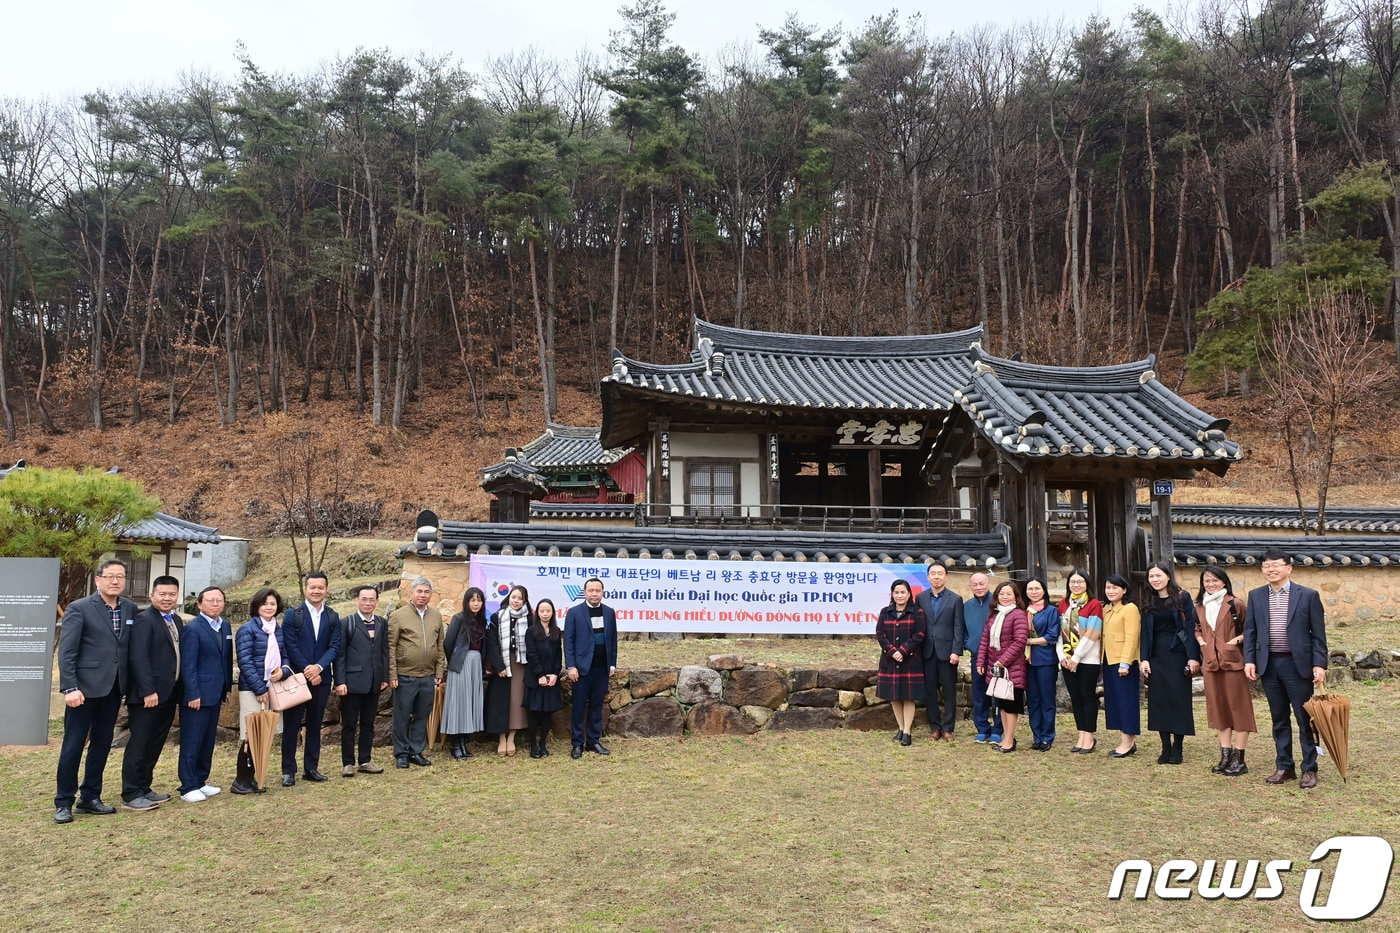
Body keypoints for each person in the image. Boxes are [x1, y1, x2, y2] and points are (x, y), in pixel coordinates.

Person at [53, 559, 137, 824]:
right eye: (110, 576)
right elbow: (67, 652)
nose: (115, 581)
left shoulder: (131, 608)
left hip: (113, 689)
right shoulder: (79, 609)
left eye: (120, 577)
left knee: (102, 745)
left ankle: (90, 797)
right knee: (74, 745)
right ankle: (63, 801)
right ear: (98, 579)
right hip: (83, 691)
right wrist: (70, 687)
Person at [1243, 550, 1328, 790]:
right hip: (1269, 664)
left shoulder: (1308, 596)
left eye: (1276, 565)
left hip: (1297, 664)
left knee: (1304, 719)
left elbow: (1318, 636)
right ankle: (1284, 766)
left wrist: (1319, 664)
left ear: (1289, 568)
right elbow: (1250, 632)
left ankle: (1309, 769)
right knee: (1279, 718)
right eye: (1266, 566)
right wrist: (1249, 660)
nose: (1270, 569)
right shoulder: (1256, 596)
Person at [120, 575, 184, 811]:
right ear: (152, 595)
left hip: (168, 694)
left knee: (155, 742)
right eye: (162, 594)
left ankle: (145, 787)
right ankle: (131, 792)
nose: (167, 598)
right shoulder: (144, 619)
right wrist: (148, 690)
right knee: (140, 742)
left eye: (171, 594)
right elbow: (138, 657)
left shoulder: (175, 620)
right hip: (148, 696)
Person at [280, 571, 342, 786]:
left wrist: (318, 667)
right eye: (312, 587)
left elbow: (334, 646)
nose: (317, 591)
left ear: (326, 589)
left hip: (322, 678)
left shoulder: (332, 616)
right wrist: (307, 669)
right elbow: (290, 645)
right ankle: (288, 770)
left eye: (320, 587)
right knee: (292, 725)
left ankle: (311, 768)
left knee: (315, 724)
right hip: (297, 678)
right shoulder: (292, 614)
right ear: (306, 589)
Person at [1194, 565, 1255, 777]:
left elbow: (1250, 629)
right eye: (1206, 581)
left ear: (1224, 582)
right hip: (1210, 663)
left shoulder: (1235, 604)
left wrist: (1234, 641)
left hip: (1233, 662)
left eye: (1214, 580)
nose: (1210, 584)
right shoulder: (1199, 605)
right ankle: (1225, 755)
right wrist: (1201, 641)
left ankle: (1240, 758)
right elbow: (1197, 627)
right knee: (1218, 709)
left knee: (1239, 709)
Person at [232, 587, 293, 794]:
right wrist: (259, 688)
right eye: (265, 603)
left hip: (273, 687)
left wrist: (283, 671)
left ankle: (256, 778)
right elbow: (245, 661)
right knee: (250, 733)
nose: (269, 607)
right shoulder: (247, 629)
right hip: (252, 689)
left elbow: (285, 656)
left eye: (273, 604)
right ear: (257, 606)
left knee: (265, 733)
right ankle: (241, 780)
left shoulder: (278, 629)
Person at [1141, 561, 1201, 765]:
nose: (1155, 580)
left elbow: (1191, 626)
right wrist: (1144, 658)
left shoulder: (1182, 597)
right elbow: (1145, 633)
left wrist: (1193, 657)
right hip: (1156, 655)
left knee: (1178, 700)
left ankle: (1178, 747)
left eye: (1159, 575)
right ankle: (1165, 746)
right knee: (1159, 701)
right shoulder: (1149, 599)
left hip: (1178, 654)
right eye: (1151, 576)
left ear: (1168, 576)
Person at [178, 586, 234, 803]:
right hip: (197, 695)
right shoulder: (193, 629)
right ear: (200, 604)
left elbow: (226, 659)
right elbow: (188, 664)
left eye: (219, 600)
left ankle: (201, 780)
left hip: (216, 692)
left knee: (207, 740)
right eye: (210, 600)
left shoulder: (225, 625)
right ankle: (188, 785)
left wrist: (226, 687)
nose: (215, 604)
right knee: (192, 739)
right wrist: (192, 693)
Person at [388, 577, 446, 769]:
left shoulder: (436, 616)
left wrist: (439, 671)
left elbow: (440, 646)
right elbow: (391, 647)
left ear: (431, 595)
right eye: (419, 591)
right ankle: (401, 753)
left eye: (426, 592)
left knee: (422, 715)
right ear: (412, 593)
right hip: (405, 675)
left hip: (428, 676)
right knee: (402, 716)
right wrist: (393, 675)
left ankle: (416, 751)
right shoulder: (398, 616)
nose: (422, 595)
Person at [336, 585, 391, 776]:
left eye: (372, 599)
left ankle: (365, 760)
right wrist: (340, 681)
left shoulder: (382, 623)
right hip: (351, 683)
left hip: (374, 683)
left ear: (377, 601)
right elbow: (340, 655)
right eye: (364, 599)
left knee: (368, 723)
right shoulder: (347, 623)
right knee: (349, 724)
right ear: (357, 600)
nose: (368, 603)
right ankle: (348, 763)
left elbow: (384, 652)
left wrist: (384, 677)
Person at [564, 578, 618, 759]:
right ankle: (577, 744)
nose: (594, 593)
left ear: (602, 592)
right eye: (591, 590)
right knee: (579, 707)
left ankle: (594, 741)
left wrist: (612, 663)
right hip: (581, 669)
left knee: (596, 706)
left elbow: (612, 640)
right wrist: (570, 666)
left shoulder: (609, 612)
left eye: (597, 590)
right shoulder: (574, 612)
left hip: (601, 668)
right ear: (585, 592)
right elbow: (568, 642)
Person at [976, 580, 1028, 753]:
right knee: (1002, 705)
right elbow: (985, 640)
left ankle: (1009, 740)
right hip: (995, 666)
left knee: (1010, 706)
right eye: (1001, 594)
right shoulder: (994, 615)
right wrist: (980, 661)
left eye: (1009, 594)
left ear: (1015, 597)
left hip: (1011, 668)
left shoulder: (1018, 614)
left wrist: (1002, 661)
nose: (1005, 597)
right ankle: (1006, 737)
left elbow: (1020, 641)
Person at [1056, 568, 1104, 754]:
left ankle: (1089, 736)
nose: (1076, 585)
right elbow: (1059, 634)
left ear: (1087, 584)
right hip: (1067, 660)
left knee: (1087, 696)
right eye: (1073, 582)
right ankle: (1081, 735)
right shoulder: (1063, 605)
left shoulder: (1093, 605)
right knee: (1075, 698)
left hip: (1087, 660)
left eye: (1080, 582)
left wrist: (1076, 657)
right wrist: (1063, 657)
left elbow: (1092, 634)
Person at [915, 562, 964, 741]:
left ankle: (948, 728)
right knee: (930, 692)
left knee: (949, 692)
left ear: (946, 576)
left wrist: (956, 650)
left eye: (940, 573)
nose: (936, 576)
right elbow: (918, 625)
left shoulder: (956, 599)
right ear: (928, 577)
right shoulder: (920, 598)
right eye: (933, 573)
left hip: (947, 653)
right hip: (927, 652)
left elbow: (959, 627)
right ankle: (935, 727)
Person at [875, 579, 927, 747]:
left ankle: (907, 732)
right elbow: (880, 634)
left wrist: (903, 651)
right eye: (896, 592)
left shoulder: (917, 612)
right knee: (894, 696)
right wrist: (892, 651)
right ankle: (900, 727)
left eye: (902, 592)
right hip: (889, 661)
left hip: (910, 661)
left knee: (908, 697)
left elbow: (919, 635)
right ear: (892, 594)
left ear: (909, 594)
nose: (899, 595)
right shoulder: (885, 612)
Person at [485, 585, 532, 756]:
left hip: (521, 662)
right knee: (500, 699)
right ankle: (501, 738)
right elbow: (491, 643)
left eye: (520, 598)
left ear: (524, 600)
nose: (516, 601)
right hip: (502, 664)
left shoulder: (529, 618)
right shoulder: (498, 616)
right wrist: (499, 666)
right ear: (508, 598)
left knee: (516, 700)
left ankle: (512, 736)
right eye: (514, 597)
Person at [442, 587, 487, 760]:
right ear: (467, 602)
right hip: (460, 665)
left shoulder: (481, 621)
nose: (476, 604)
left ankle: (463, 742)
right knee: (459, 704)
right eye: (472, 600)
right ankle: (455, 744)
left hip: (476, 665)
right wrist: (456, 661)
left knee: (469, 704)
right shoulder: (458, 619)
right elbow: (448, 644)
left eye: (479, 600)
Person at [1101, 574, 1142, 759]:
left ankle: (1128, 742)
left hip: (1123, 662)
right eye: (1108, 587)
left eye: (1115, 587)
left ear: (1124, 590)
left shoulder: (1130, 609)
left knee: (1126, 702)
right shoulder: (1106, 609)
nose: (1110, 591)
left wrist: (1125, 662)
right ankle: (1126, 740)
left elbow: (1132, 637)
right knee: (1116, 702)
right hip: (1108, 660)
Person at [524, 598, 565, 759]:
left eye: (548, 611)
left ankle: (543, 744)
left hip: (552, 679)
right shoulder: (531, 631)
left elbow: (558, 655)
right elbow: (531, 654)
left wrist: (555, 673)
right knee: (534, 712)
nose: (545, 614)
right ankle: (533, 744)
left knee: (547, 713)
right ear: (537, 613)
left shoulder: (556, 631)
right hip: (535, 678)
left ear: (552, 612)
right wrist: (540, 674)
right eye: (542, 611)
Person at [1023, 578, 1061, 751]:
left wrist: (1029, 641)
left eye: (1037, 588)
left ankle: (1047, 736)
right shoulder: (1023, 611)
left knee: (1047, 700)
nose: (1033, 591)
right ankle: (1036, 735)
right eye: (1030, 588)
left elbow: (1052, 636)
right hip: (1026, 661)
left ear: (1044, 590)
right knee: (1033, 700)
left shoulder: (1052, 611)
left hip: (1045, 661)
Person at [962, 572, 998, 744]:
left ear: (988, 583)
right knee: (979, 693)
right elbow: (961, 630)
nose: (978, 587)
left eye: (981, 583)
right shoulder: (966, 606)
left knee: (998, 693)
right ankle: (982, 728)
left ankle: (998, 728)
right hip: (977, 656)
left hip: (998, 656)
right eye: (975, 584)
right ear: (970, 586)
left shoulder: (998, 604)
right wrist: (968, 644)